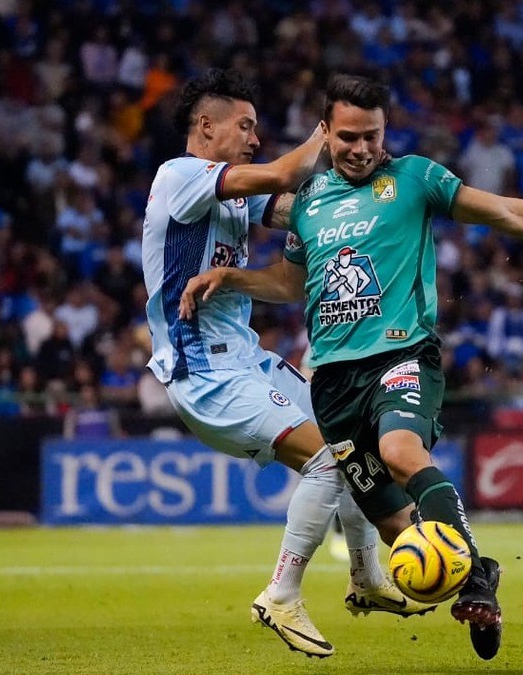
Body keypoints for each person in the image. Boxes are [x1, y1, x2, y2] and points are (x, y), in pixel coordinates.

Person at [179, 74, 523, 661]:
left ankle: (472, 581)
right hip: (331, 382)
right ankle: (481, 575)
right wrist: (232, 278)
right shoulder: (310, 202)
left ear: (386, 132)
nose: (361, 149)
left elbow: (505, 212)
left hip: (402, 356)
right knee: (403, 534)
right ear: (325, 133)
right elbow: (289, 283)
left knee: (403, 451)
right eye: (348, 137)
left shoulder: (415, 179)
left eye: (372, 136)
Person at [141, 69, 430, 660]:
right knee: (326, 457)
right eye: (244, 125)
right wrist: (332, 134)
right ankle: (282, 593)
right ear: (205, 127)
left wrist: (377, 193)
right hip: (205, 373)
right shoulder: (179, 176)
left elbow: (300, 205)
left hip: (247, 359)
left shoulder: (229, 194)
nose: (254, 136)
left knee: (353, 446)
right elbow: (284, 173)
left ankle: (366, 576)